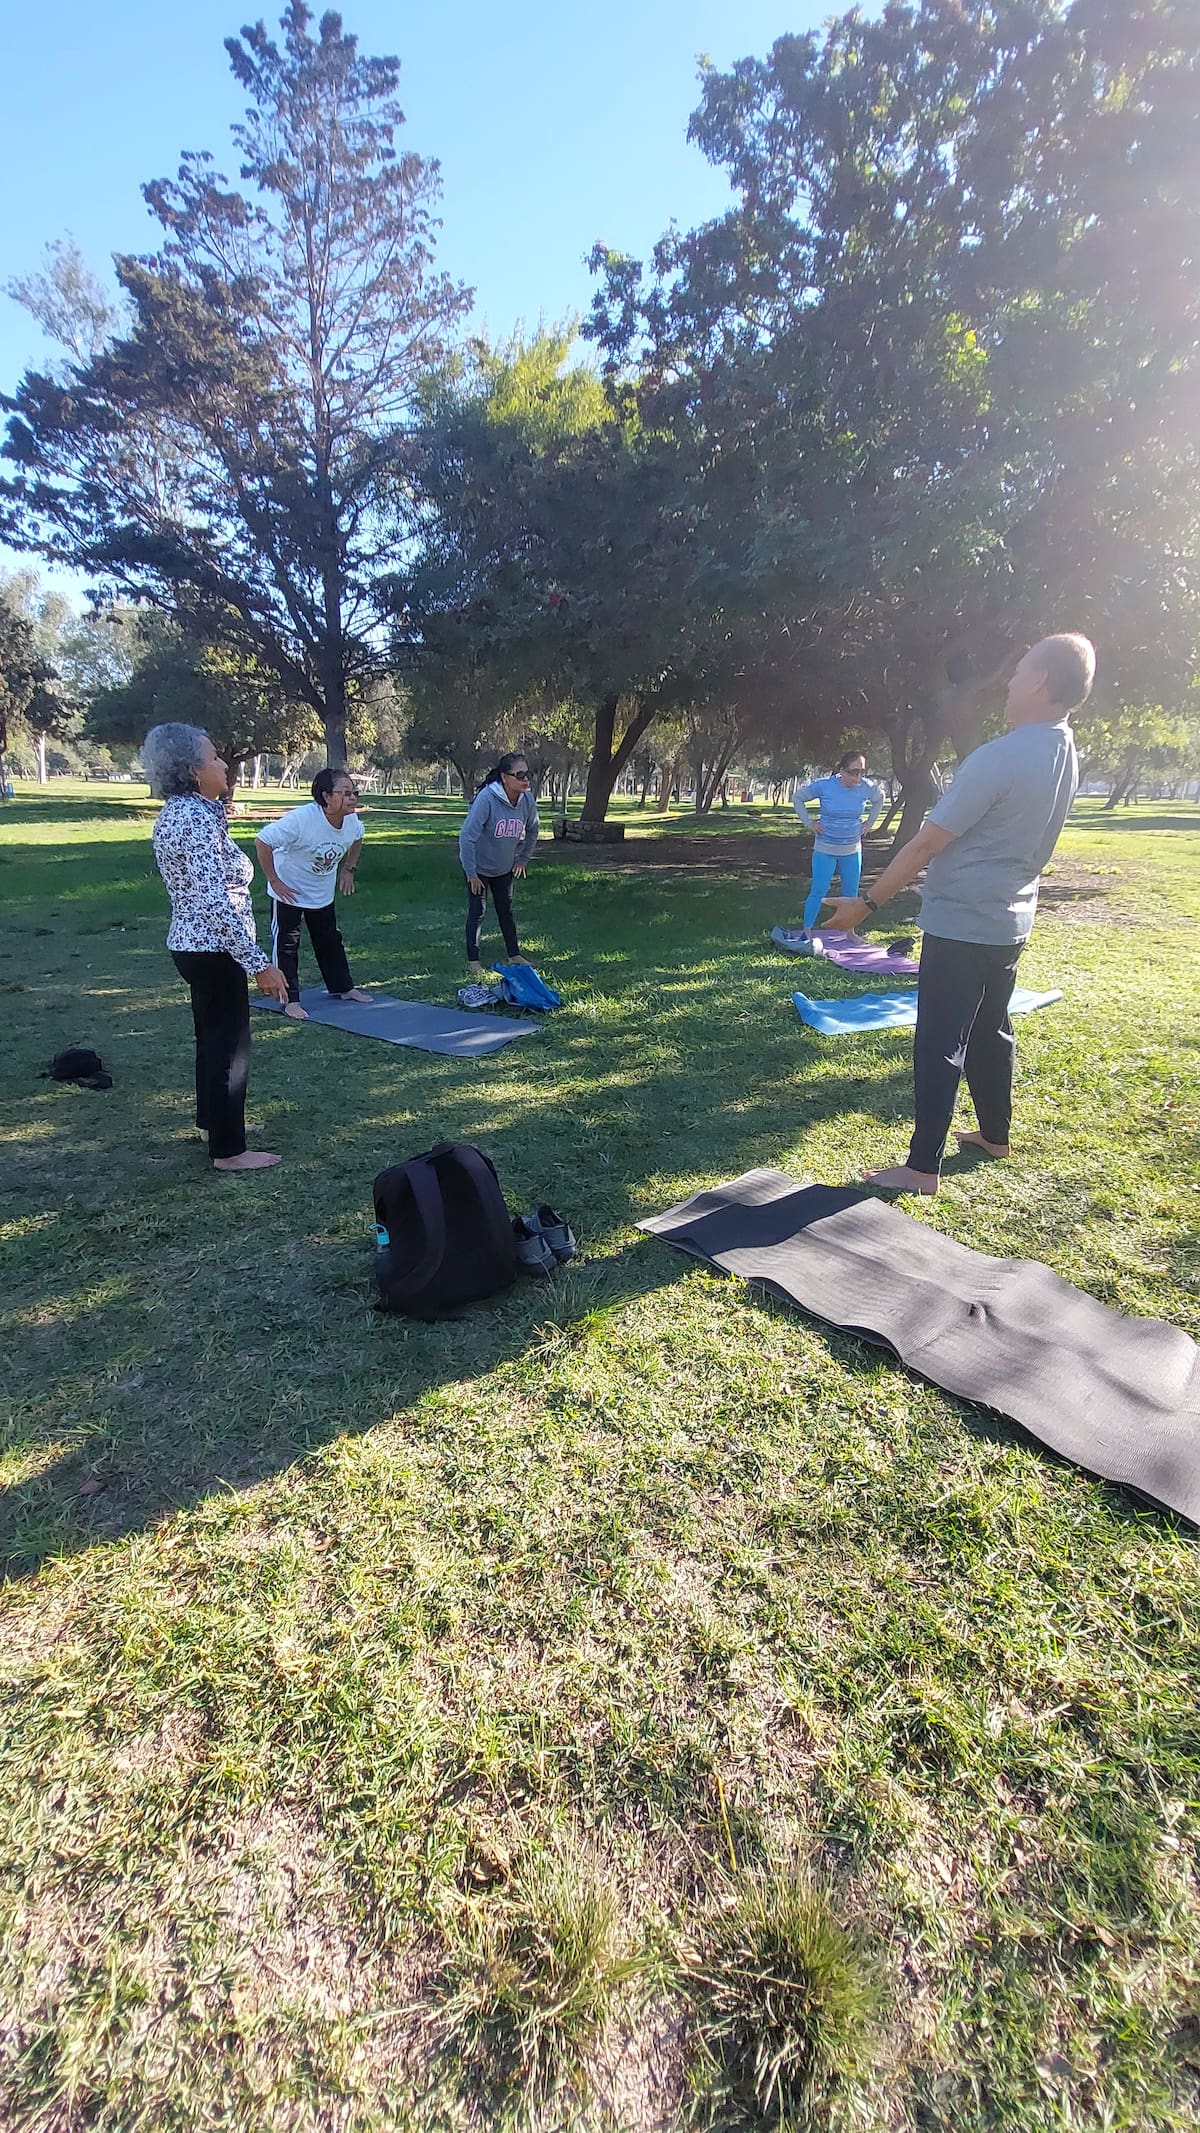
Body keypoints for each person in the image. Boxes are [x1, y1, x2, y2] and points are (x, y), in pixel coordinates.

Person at [820, 632, 1097, 1195]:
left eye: (1020, 672)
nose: (1011, 681)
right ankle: (995, 1134)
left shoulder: (1002, 755)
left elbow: (926, 844)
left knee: (941, 1038)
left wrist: (865, 905)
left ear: (1041, 682)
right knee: (991, 1028)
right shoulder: (1066, 750)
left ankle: (922, 1168)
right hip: (1008, 924)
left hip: (962, 923)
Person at [146, 723, 289, 1174]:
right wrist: (260, 964)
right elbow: (214, 902)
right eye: (214, 757)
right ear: (192, 770)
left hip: (200, 947)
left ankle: (213, 1124)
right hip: (212, 949)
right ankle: (229, 1150)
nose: (224, 763)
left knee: (213, 1041)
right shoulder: (190, 818)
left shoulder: (196, 812)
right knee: (230, 1047)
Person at [254, 768, 372, 1021]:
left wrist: (349, 869)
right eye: (345, 793)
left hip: (321, 892)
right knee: (287, 944)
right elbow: (262, 841)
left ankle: (343, 987)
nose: (353, 798)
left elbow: (358, 838)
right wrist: (274, 880)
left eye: (354, 792)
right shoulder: (301, 820)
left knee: (330, 940)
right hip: (289, 891)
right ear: (326, 796)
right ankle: (289, 1000)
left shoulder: (351, 821)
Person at [459, 751, 540, 979]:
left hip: (504, 868)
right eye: (520, 775)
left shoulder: (526, 799)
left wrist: (523, 858)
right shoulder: (487, 799)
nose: (525, 779)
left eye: (528, 774)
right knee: (478, 912)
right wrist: (471, 873)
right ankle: (473, 960)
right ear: (505, 777)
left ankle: (514, 955)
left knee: (506, 911)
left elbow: (533, 829)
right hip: (479, 868)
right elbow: (467, 837)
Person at [792, 751, 885, 935]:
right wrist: (809, 823)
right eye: (854, 772)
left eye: (862, 772)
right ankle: (807, 930)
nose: (858, 777)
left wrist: (869, 823)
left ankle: (850, 932)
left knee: (851, 893)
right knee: (819, 889)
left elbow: (879, 799)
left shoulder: (866, 787)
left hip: (852, 849)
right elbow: (798, 798)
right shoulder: (825, 786)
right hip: (825, 848)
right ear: (842, 770)